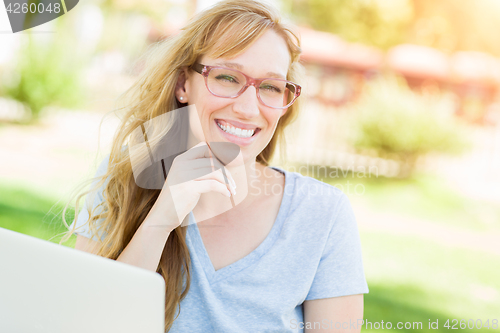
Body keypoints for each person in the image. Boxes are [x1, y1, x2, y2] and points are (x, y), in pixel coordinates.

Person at [63, 0, 369, 332]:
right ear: (183, 85)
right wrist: (161, 219)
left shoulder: (321, 214)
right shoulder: (125, 175)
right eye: (227, 77)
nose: (249, 108)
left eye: (270, 87)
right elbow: (91, 322)